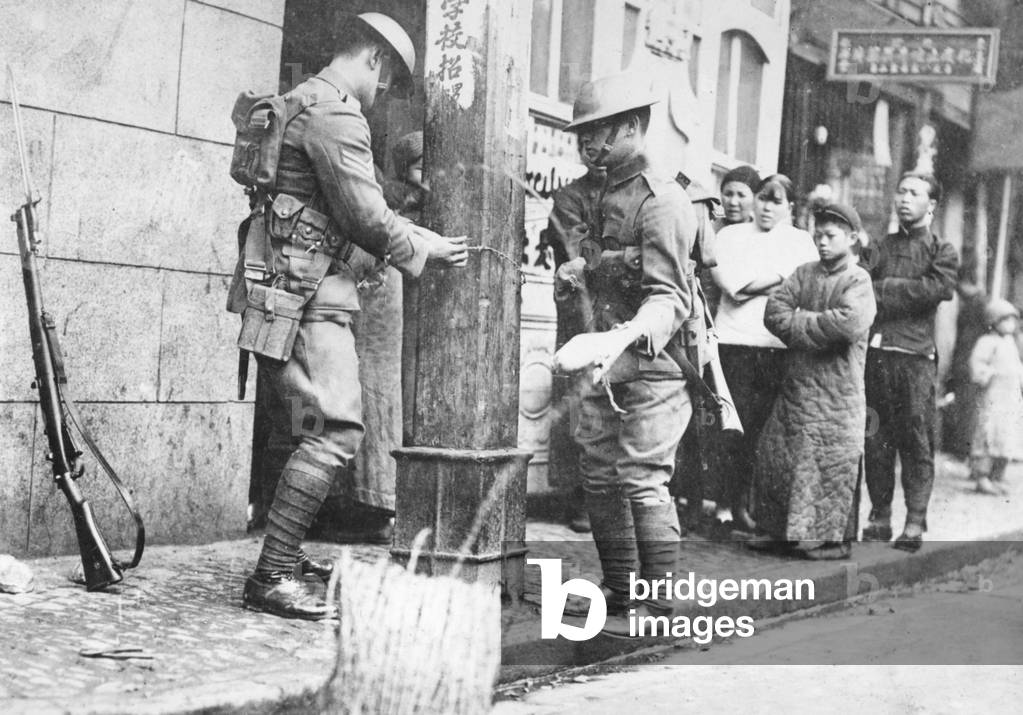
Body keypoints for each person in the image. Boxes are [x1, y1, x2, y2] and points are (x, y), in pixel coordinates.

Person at [234, 13, 468, 620]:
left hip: (293, 287)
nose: (382, 92)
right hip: (308, 296)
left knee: (312, 430)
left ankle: (283, 557)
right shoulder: (338, 115)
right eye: (386, 80)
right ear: (375, 60)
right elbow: (365, 214)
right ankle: (273, 574)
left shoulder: (302, 100)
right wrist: (425, 245)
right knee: (337, 430)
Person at [553, 72, 697, 635]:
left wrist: (618, 335)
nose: (589, 145)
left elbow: (670, 299)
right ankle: (619, 590)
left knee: (641, 477)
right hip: (599, 359)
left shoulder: (664, 200)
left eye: (602, 133)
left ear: (635, 126)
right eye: (582, 135)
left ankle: (659, 608)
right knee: (600, 476)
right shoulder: (587, 197)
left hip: (655, 363)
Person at [750, 203, 877, 559]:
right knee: (782, 453)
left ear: (852, 238)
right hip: (798, 386)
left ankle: (830, 541)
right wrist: (813, 323)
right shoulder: (803, 272)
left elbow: (848, 323)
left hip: (838, 391)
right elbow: (774, 312)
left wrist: (800, 321)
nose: (821, 242)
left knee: (832, 460)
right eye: (817, 235)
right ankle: (780, 532)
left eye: (830, 236)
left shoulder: (858, 280)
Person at [709, 175, 818, 533]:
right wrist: (780, 276)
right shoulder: (730, 236)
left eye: (777, 201)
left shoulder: (800, 241)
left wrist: (761, 281)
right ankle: (723, 505)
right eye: (763, 199)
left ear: (790, 207)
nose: (767, 207)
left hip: (776, 346)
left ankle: (744, 505)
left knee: (761, 431)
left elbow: (805, 285)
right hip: (733, 342)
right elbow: (731, 287)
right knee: (730, 429)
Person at [862, 172, 958, 552]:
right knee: (876, 438)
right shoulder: (880, 246)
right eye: (901, 191)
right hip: (877, 356)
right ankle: (880, 517)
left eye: (914, 193)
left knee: (916, 440)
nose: (904, 198)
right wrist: (905, 290)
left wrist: (883, 289)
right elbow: (859, 286)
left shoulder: (941, 251)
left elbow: (937, 289)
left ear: (931, 205)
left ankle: (915, 521)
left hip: (915, 359)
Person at [544, 150, 605, 533]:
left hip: (617, 309)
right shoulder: (569, 199)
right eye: (589, 145)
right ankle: (579, 495)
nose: (599, 155)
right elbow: (580, 255)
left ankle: (605, 491)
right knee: (580, 401)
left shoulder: (629, 193)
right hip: (581, 310)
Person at [968, 298, 1023, 495]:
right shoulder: (987, 342)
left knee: (1007, 436)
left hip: (1010, 398)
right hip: (993, 396)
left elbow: (1016, 367)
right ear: (993, 321)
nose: (1010, 325)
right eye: (1005, 320)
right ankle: (982, 476)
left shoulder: (1010, 343)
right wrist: (987, 374)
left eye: (1013, 320)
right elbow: (977, 366)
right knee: (988, 434)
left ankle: (997, 476)